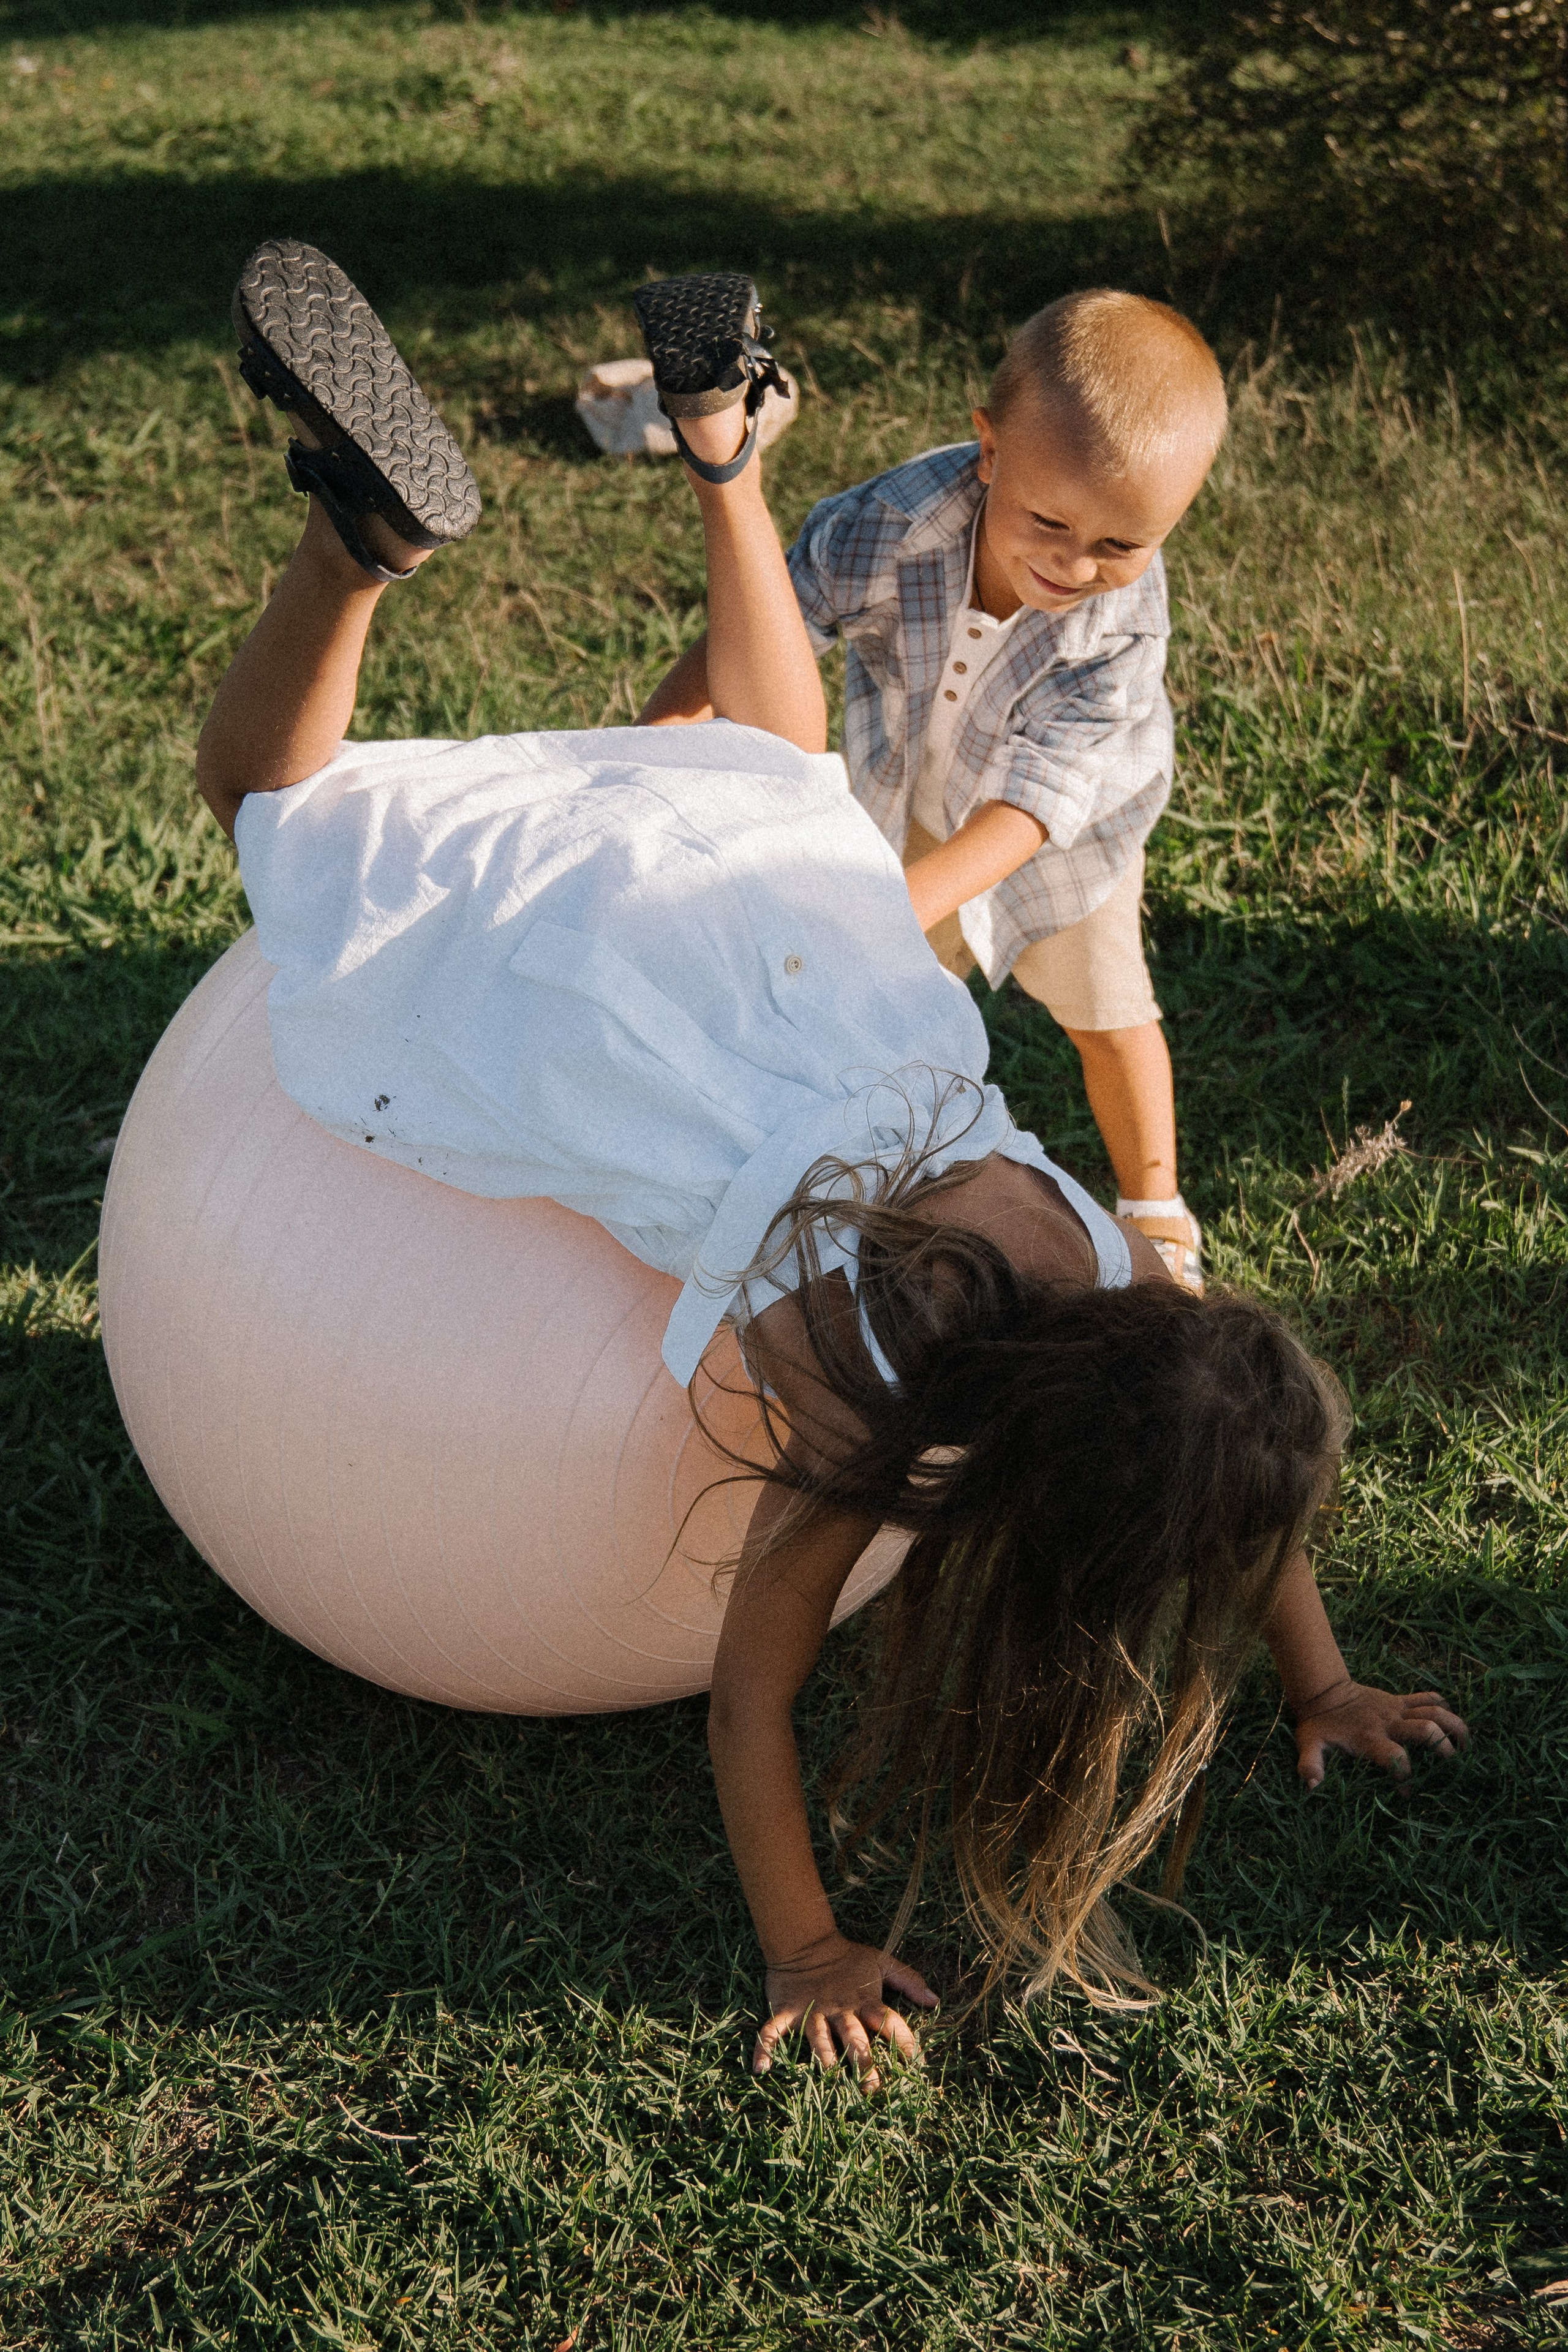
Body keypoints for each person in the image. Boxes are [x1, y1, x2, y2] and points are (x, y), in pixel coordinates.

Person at [199, 243, 1468, 2088]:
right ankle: (358, 546)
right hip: (648, 1044)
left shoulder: (1121, 1286)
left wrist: (1327, 1671)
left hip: (825, 968)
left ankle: (727, 460)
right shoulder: (884, 1437)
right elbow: (751, 1699)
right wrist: (805, 1940)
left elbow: (1239, 1473)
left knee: (779, 770)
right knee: (270, 816)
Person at [641, 289, 1229, 1292]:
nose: (1075, 564)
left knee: (1108, 1013)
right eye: (1050, 521)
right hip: (910, 789)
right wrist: (659, 739)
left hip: (1066, 843)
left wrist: (888, 911)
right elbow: (767, 624)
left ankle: (1154, 1200)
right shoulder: (888, 525)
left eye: (1122, 546)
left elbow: (1032, 811)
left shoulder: (1124, 626)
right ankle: (898, 1169)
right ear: (989, 450)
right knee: (898, 1003)